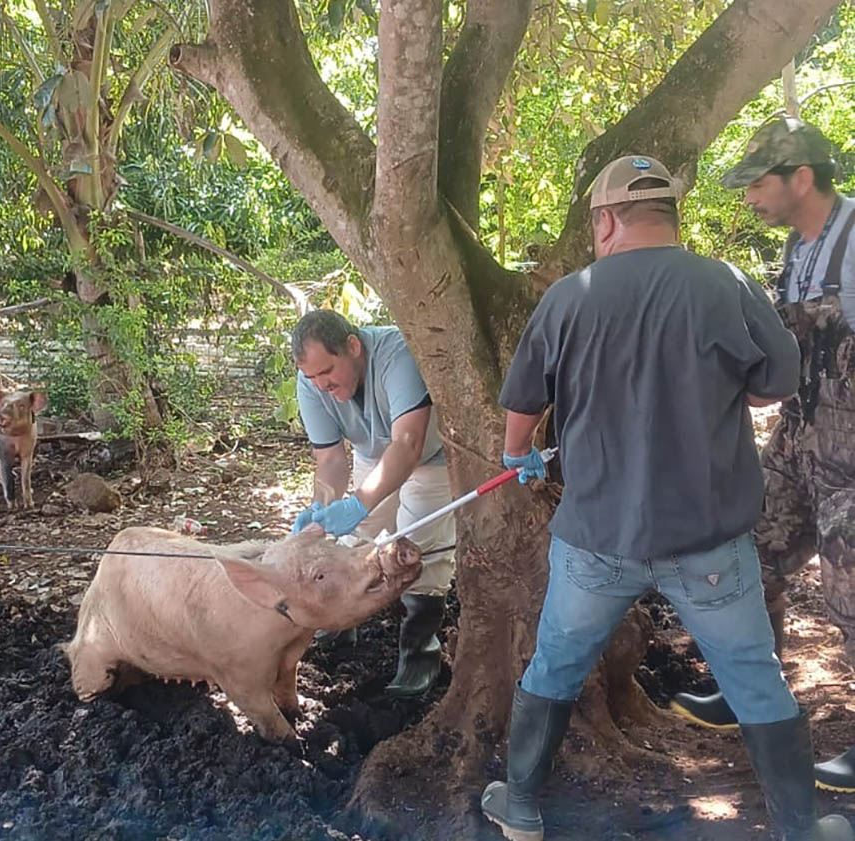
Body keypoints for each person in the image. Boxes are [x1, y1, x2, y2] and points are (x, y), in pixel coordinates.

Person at [478, 154, 852, 841]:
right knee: (755, 676)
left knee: (555, 663)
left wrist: (515, 453)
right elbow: (775, 385)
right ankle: (802, 829)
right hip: (707, 540)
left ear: (606, 221)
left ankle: (521, 804)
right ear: (670, 216)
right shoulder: (725, 284)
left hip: (596, 539)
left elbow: (524, 399)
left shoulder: (569, 296)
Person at [669, 117, 855, 794]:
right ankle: (749, 689)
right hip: (797, 443)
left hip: (852, 460)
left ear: (801, 178)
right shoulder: (799, 251)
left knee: (851, 588)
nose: (748, 197)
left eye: (757, 184)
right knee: (748, 554)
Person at [290, 310, 455, 697]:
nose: (322, 385)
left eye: (327, 372)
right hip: (374, 455)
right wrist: (321, 511)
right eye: (312, 377)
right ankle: (339, 621)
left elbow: (408, 443)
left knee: (419, 546)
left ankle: (420, 652)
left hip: (429, 458)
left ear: (353, 346)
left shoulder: (397, 353)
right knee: (358, 539)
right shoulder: (312, 382)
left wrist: (358, 504)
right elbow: (330, 459)